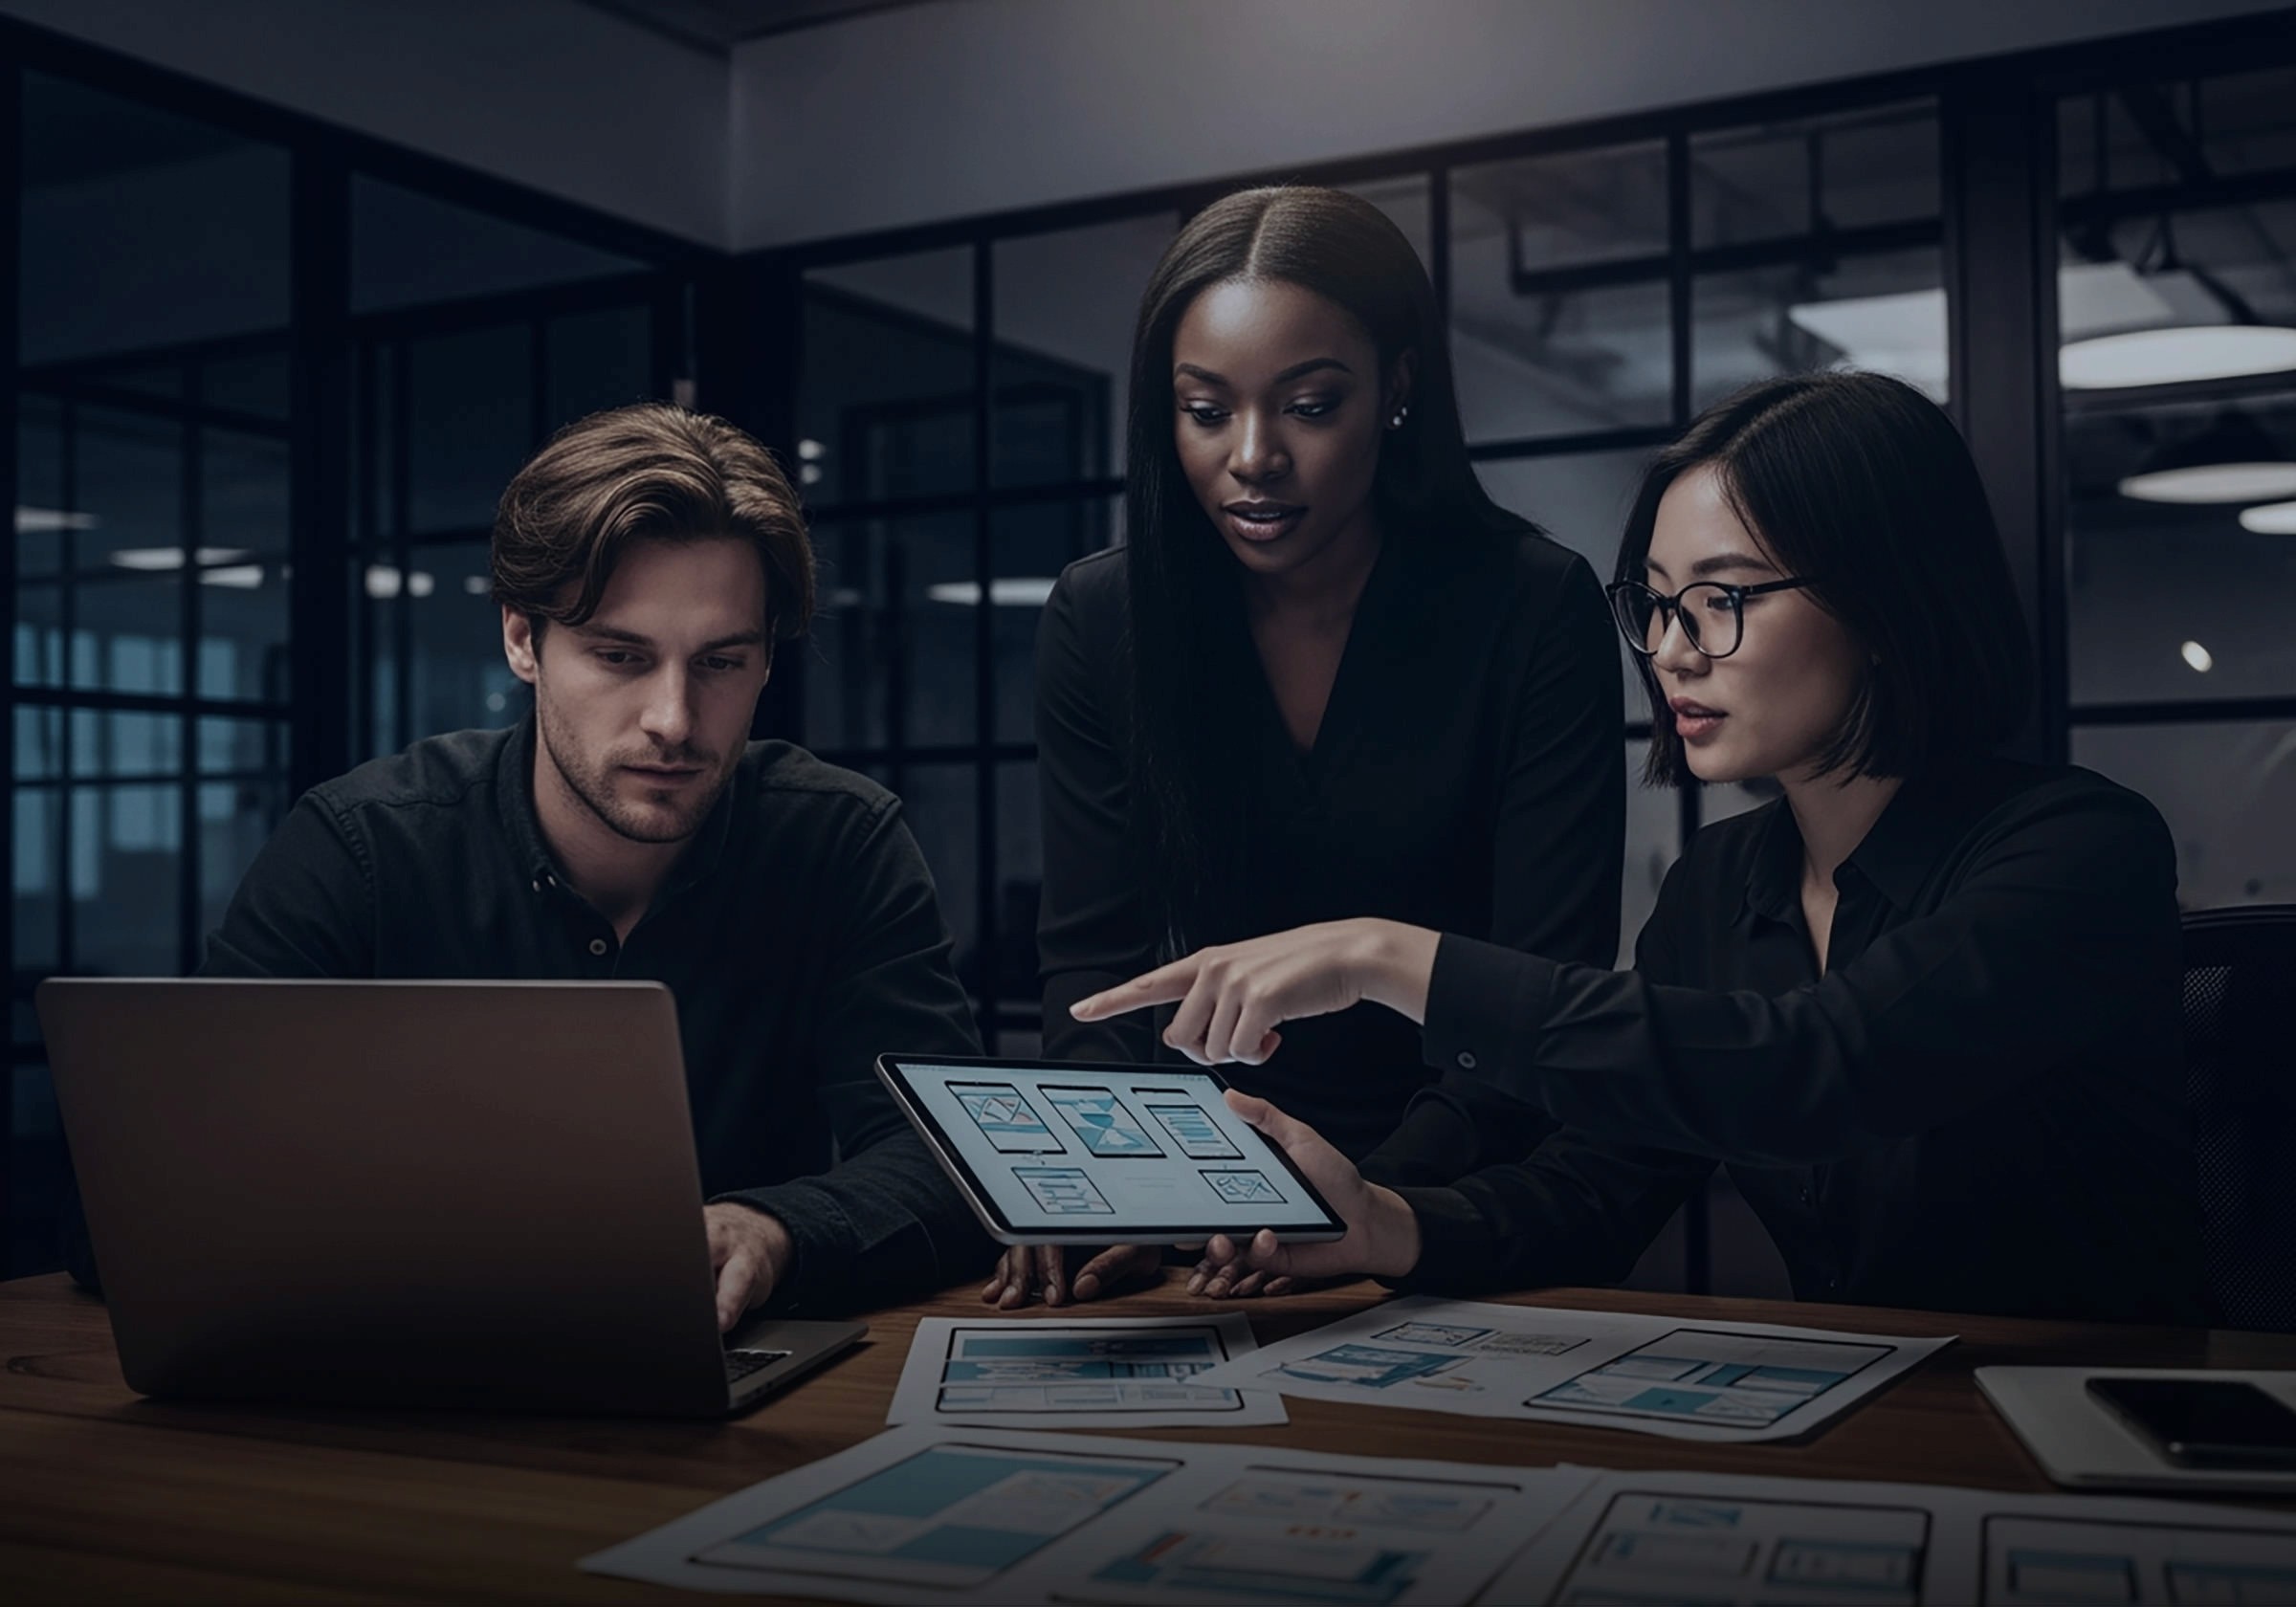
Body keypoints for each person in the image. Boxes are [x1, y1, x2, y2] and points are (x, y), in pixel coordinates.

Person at [1071, 371, 2204, 1325]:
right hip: (1891, 1423)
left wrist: (1390, 957)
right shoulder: (1723, 886)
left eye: (1721, 599)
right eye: (1654, 604)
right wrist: (1381, 1221)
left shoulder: (2079, 851)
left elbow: (1812, 1068)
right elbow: (1599, 1186)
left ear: (1887, 603)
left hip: (2109, 1431)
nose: (1669, 652)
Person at [68, 403, 992, 1327]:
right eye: (619, 656)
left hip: (725, 1382)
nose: (673, 718)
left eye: (720, 661)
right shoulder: (365, 845)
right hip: (390, 1381)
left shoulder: (840, 842)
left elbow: (947, 1160)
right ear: (522, 641)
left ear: (762, 665)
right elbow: (143, 1197)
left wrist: (772, 1230)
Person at [985, 185, 1624, 1310]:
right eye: (1203, 410)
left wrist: (1357, 1207)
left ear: (1398, 391)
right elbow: (1095, 977)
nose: (1252, 458)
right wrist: (1126, 1191)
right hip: (1208, 1202)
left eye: (1311, 406)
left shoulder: (1533, 605)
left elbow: (1539, 992)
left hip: (1455, 1207)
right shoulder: (1103, 620)